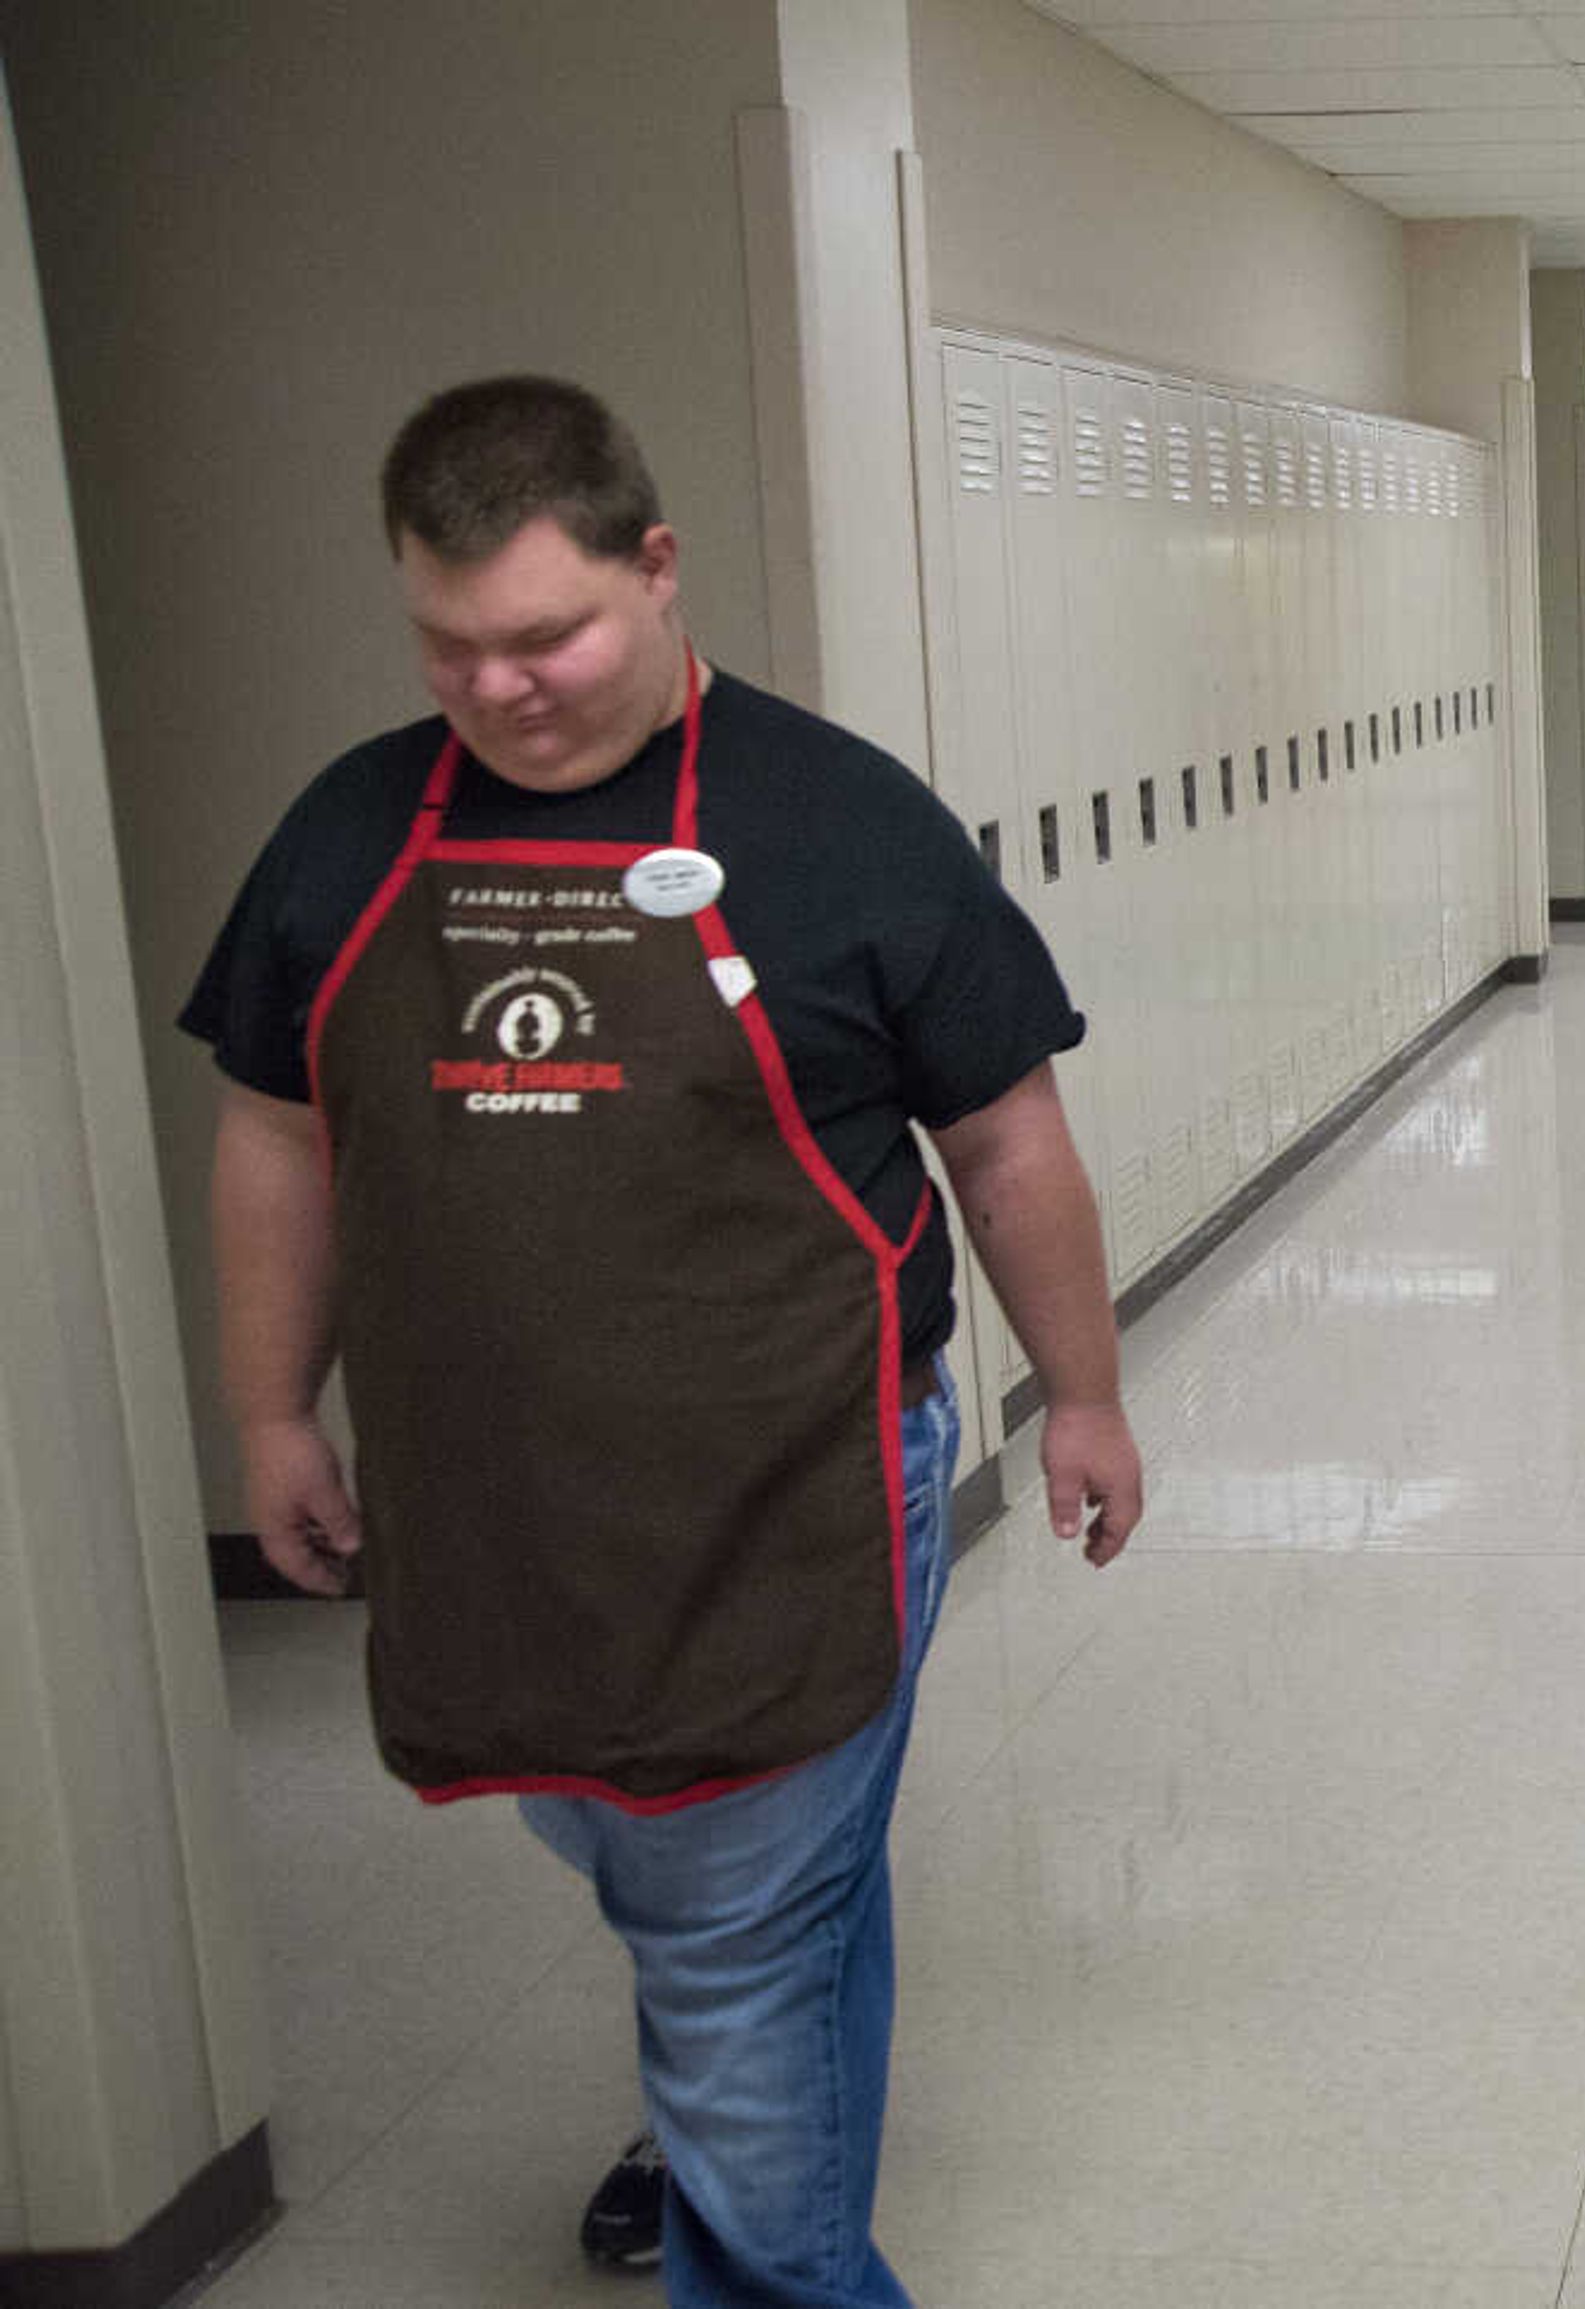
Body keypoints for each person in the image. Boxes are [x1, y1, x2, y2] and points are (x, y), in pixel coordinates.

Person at [186, 376, 1145, 2303]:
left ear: (658, 563)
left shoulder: (839, 822)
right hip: (498, 1507)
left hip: (788, 1491)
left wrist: (1085, 1392)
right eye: (450, 646)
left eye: (549, 634)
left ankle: (773, 2247)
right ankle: (739, 2064)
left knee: (723, 1945)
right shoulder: (355, 830)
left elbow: (1005, 1133)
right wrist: (272, 1404)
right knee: (707, 1886)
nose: (501, 686)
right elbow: (278, 1126)